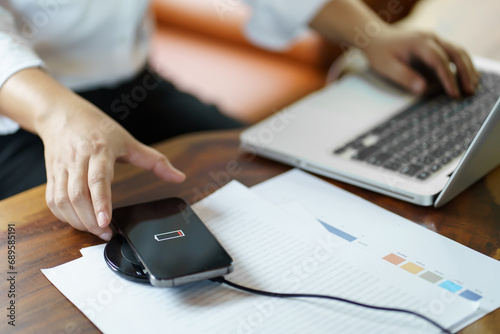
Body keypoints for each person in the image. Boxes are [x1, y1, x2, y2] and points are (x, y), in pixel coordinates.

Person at [0, 0, 478, 241]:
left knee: (273, 177)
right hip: (23, 107)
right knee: (91, 244)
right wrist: (55, 113)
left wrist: (373, 35)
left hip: (130, 81)